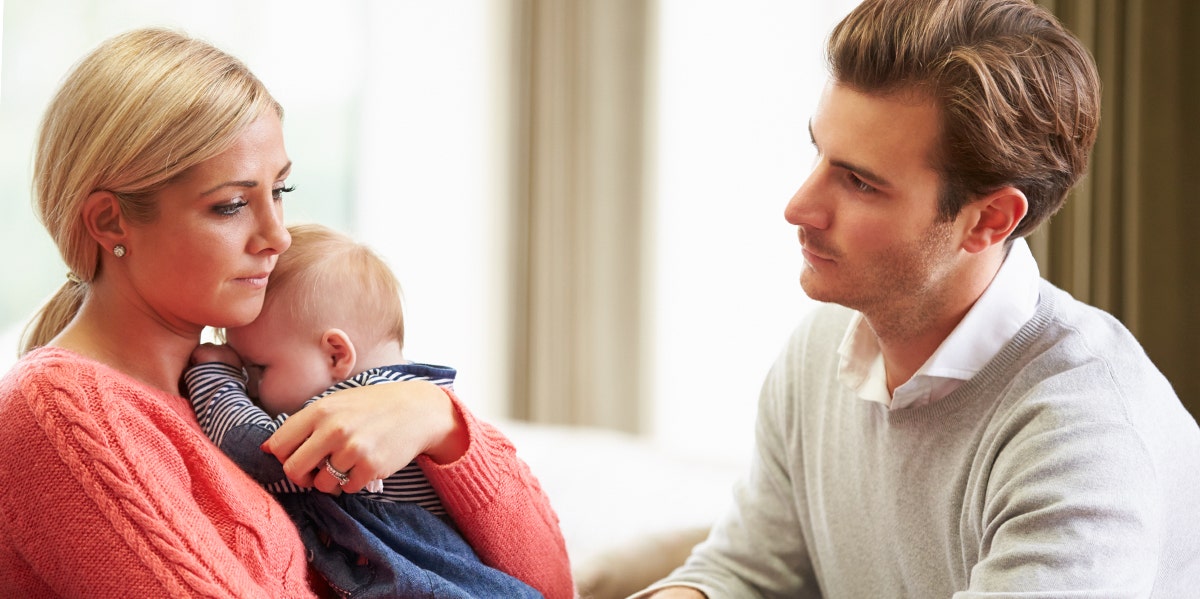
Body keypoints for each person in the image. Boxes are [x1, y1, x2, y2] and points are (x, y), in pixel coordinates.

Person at [637, 0, 1200, 597]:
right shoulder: (821, 353)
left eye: (859, 182)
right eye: (818, 153)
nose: (798, 208)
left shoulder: (1084, 440)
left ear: (989, 220)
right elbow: (744, 573)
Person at [0, 27, 573, 598]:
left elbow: (547, 584)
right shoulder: (59, 412)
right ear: (109, 222)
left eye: (280, 191)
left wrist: (439, 420)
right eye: (229, 206)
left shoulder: (245, 391)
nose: (277, 238)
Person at [183, 223, 540, 598]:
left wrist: (215, 377)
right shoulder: (414, 387)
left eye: (258, 369)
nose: (250, 388)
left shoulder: (361, 405)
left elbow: (258, 451)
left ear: (336, 354)